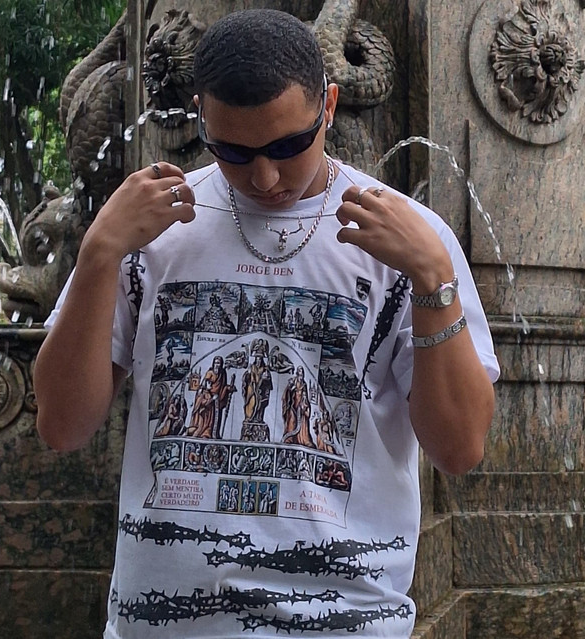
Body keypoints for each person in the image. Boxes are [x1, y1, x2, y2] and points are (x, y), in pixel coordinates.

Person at [34, 8, 499, 638]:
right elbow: (62, 427)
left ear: (328, 106)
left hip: (343, 623)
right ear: (200, 117)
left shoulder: (408, 240)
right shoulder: (149, 229)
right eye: (234, 151)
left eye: (287, 146)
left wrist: (432, 279)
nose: (265, 176)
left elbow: (460, 449)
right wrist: (97, 255)